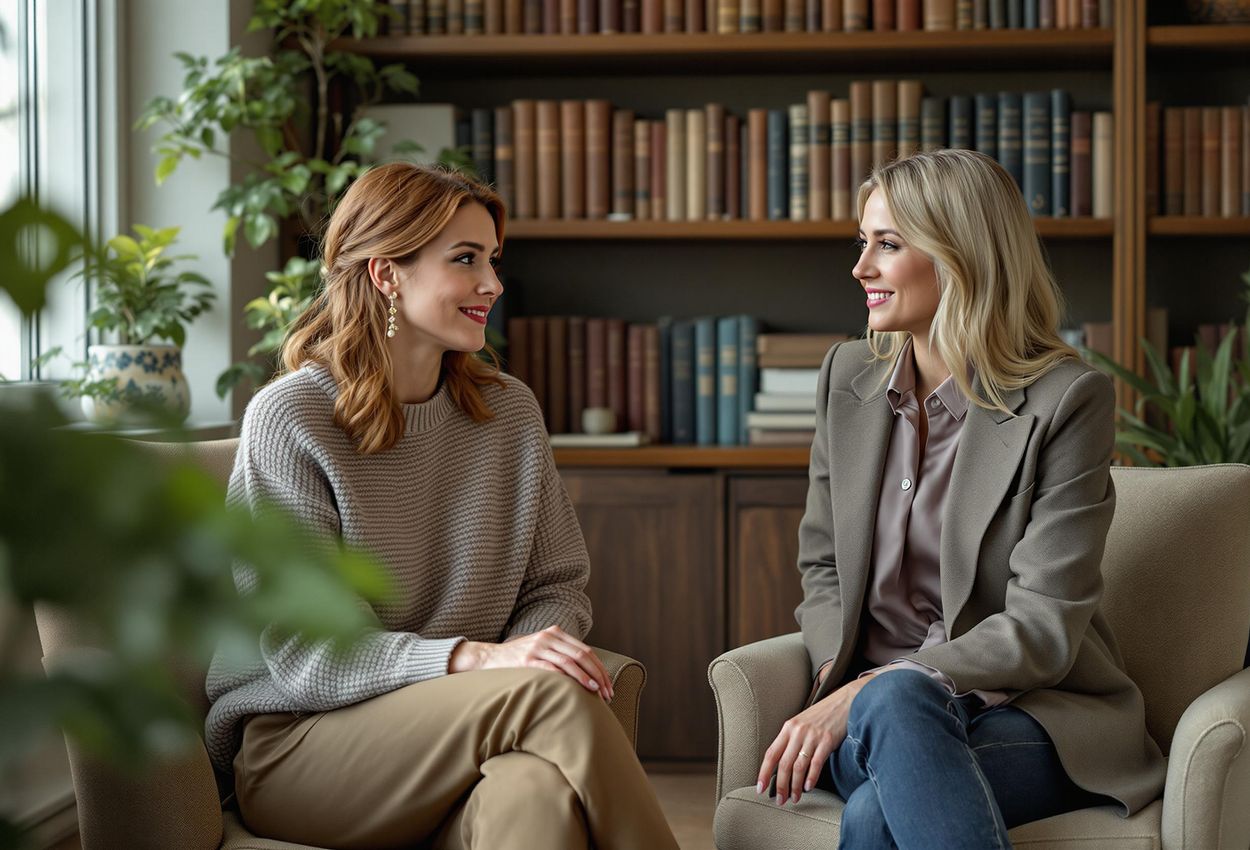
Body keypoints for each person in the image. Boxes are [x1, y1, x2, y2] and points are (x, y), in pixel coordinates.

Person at [204, 162, 678, 850]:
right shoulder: (293, 418)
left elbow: (555, 587)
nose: (493, 283)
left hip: (470, 729)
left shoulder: (508, 412)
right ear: (386, 274)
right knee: (549, 693)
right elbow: (311, 652)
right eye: (465, 260)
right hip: (306, 747)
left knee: (535, 794)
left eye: (492, 259)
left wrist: (516, 653)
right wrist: (479, 662)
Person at [754, 149, 1165, 849]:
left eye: (887, 244)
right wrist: (838, 681)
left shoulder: (1067, 400)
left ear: (960, 257)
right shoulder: (846, 378)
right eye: (863, 243)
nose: (861, 268)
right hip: (873, 725)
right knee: (890, 732)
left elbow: (1043, 626)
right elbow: (822, 566)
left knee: (877, 801)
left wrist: (880, 686)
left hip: (1030, 717)